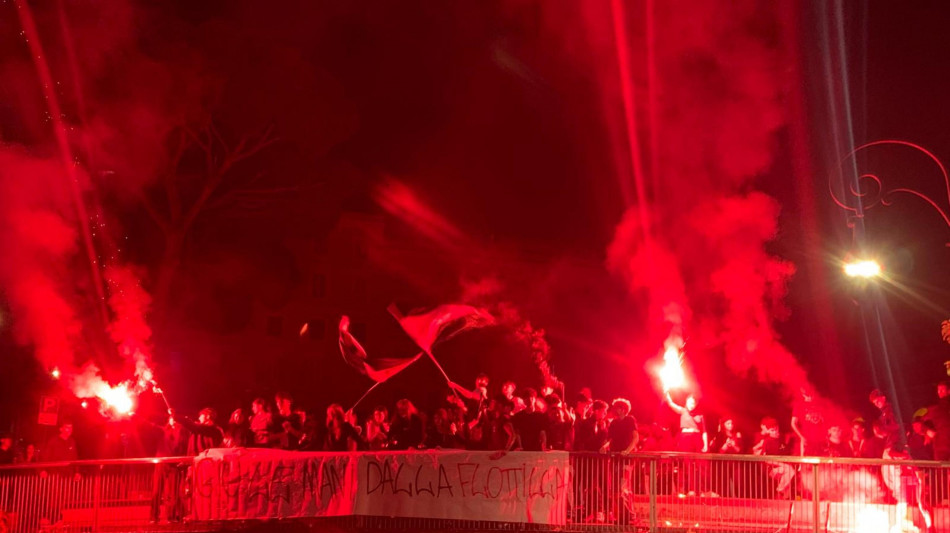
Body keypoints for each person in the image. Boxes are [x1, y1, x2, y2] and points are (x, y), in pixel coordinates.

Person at [752, 417, 794, 497]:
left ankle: (783, 498)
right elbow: (765, 459)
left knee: (788, 476)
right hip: (771, 469)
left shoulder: (781, 438)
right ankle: (780, 490)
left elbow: (784, 452)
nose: (775, 432)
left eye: (776, 429)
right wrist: (781, 464)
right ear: (768, 431)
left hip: (782, 467)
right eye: (772, 430)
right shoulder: (767, 441)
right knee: (789, 470)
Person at [791, 387, 827, 456]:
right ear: (803, 395)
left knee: (820, 462)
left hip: (819, 438)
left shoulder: (819, 404)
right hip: (807, 438)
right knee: (805, 461)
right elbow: (793, 423)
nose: (810, 397)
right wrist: (801, 436)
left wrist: (825, 435)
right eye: (807, 395)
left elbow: (823, 421)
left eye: (811, 394)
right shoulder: (799, 405)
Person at [926, 381, 950, 461]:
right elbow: (918, 418)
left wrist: (925, 431)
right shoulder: (936, 407)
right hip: (942, 444)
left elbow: (918, 417)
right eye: (938, 390)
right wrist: (926, 430)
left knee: (942, 470)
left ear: (948, 391)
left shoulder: (936, 408)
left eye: (942, 390)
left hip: (942, 445)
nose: (939, 392)